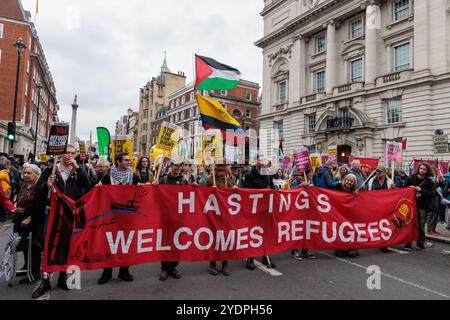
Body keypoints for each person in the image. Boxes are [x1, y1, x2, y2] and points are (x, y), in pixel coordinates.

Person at [32, 144, 91, 299]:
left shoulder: (77, 171)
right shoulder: (50, 170)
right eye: (67, 153)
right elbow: (37, 190)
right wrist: (47, 185)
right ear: (61, 154)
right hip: (51, 214)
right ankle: (45, 281)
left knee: (67, 245)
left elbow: (88, 186)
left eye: (73, 153)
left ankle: (63, 277)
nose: (70, 155)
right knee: (48, 247)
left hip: (69, 214)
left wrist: (78, 168)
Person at [97, 152, 135, 285]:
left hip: (127, 216)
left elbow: (140, 190)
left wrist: (147, 185)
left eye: (129, 160)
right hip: (111, 215)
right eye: (126, 160)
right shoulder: (108, 176)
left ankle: (124, 271)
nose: (129, 162)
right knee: (110, 243)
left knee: (126, 243)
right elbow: (97, 190)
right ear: (118, 162)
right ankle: (107, 272)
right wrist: (98, 187)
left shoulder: (132, 175)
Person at [11, 163, 47, 284]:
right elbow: (19, 200)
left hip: (33, 222)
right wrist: (15, 208)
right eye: (24, 173)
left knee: (34, 247)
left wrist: (30, 218)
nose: (25, 175)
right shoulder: (24, 185)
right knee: (24, 246)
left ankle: (35, 272)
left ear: (36, 174)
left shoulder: (40, 187)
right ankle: (27, 267)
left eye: (29, 173)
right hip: (20, 221)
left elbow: (40, 206)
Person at [154, 158, 188, 281]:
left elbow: (190, 197)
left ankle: (173, 267)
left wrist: (194, 187)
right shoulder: (162, 180)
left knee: (177, 243)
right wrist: (154, 187)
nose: (178, 168)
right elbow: (155, 197)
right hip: (165, 218)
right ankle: (164, 268)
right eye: (176, 165)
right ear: (171, 166)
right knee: (165, 243)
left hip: (179, 218)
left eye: (180, 166)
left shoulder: (184, 181)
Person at [243, 155, 277, 269]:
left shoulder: (267, 174)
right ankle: (250, 257)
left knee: (265, 233)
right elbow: (247, 192)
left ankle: (265, 256)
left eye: (263, 159)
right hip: (254, 209)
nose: (262, 162)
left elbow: (272, 188)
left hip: (266, 209)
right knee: (253, 233)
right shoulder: (249, 175)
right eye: (260, 160)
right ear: (256, 162)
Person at [205, 160, 236, 276]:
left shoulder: (229, 179)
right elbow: (202, 196)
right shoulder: (210, 180)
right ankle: (212, 263)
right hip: (213, 214)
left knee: (225, 238)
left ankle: (225, 262)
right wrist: (210, 190)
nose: (222, 171)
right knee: (213, 238)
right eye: (220, 168)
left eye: (224, 168)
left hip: (225, 214)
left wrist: (230, 174)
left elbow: (234, 188)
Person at [404, 163, 436, 251]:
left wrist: (421, 190)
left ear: (427, 171)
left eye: (424, 169)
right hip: (410, 205)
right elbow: (402, 190)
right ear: (418, 169)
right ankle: (408, 243)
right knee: (409, 224)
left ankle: (420, 243)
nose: (422, 170)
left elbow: (432, 194)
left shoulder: (429, 182)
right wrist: (408, 189)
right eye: (421, 168)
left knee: (421, 225)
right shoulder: (411, 178)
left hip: (422, 206)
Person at [290, 169, 316, 260]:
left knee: (308, 230)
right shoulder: (296, 181)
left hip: (308, 209)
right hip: (297, 210)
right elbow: (291, 191)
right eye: (311, 173)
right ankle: (295, 251)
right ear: (306, 173)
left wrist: (313, 188)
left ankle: (306, 250)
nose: (312, 174)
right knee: (297, 230)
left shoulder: (311, 181)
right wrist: (300, 186)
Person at [367, 166, 394, 253]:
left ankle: (384, 244)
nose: (378, 173)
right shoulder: (372, 181)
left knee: (386, 224)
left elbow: (394, 194)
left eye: (380, 171)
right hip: (375, 206)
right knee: (377, 224)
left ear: (385, 172)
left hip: (386, 206)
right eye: (377, 171)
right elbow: (369, 192)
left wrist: (393, 188)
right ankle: (377, 239)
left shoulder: (390, 182)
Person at [335, 174, 360, 258]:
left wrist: (356, 194)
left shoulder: (353, 190)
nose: (349, 182)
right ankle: (339, 249)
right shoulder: (338, 186)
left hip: (348, 213)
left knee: (348, 230)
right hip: (337, 212)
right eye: (348, 180)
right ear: (344, 180)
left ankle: (349, 248)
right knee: (339, 231)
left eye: (351, 181)